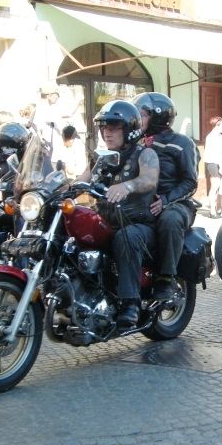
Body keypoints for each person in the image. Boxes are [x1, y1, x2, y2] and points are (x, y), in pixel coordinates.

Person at [75, 100, 159, 327]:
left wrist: (128, 186)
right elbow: (80, 181)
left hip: (138, 224)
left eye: (113, 127)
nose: (106, 133)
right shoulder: (100, 158)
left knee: (126, 237)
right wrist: (49, 191)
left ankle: (130, 304)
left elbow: (150, 179)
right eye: (104, 127)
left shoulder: (145, 153)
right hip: (106, 221)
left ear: (129, 129)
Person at [132, 92, 199, 301]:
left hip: (176, 203)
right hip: (142, 202)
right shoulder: (137, 142)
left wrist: (166, 200)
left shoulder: (182, 143)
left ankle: (167, 277)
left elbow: (190, 182)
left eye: (142, 114)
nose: (137, 119)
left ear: (158, 117)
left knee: (170, 220)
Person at [202, 116, 222, 218]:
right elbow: (213, 153)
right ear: (217, 125)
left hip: (221, 163)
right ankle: (212, 210)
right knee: (215, 186)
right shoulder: (211, 137)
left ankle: (219, 208)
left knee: (221, 186)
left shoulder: (220, 137)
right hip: (213, 163)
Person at [34, 81, 63, 152]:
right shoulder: (42, 108)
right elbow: (38, 127)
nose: (58, 97)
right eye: (57, 94)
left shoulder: (48, 108)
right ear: (49, 96)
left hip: (50, 147)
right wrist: (42, 141)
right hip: (46, 148)